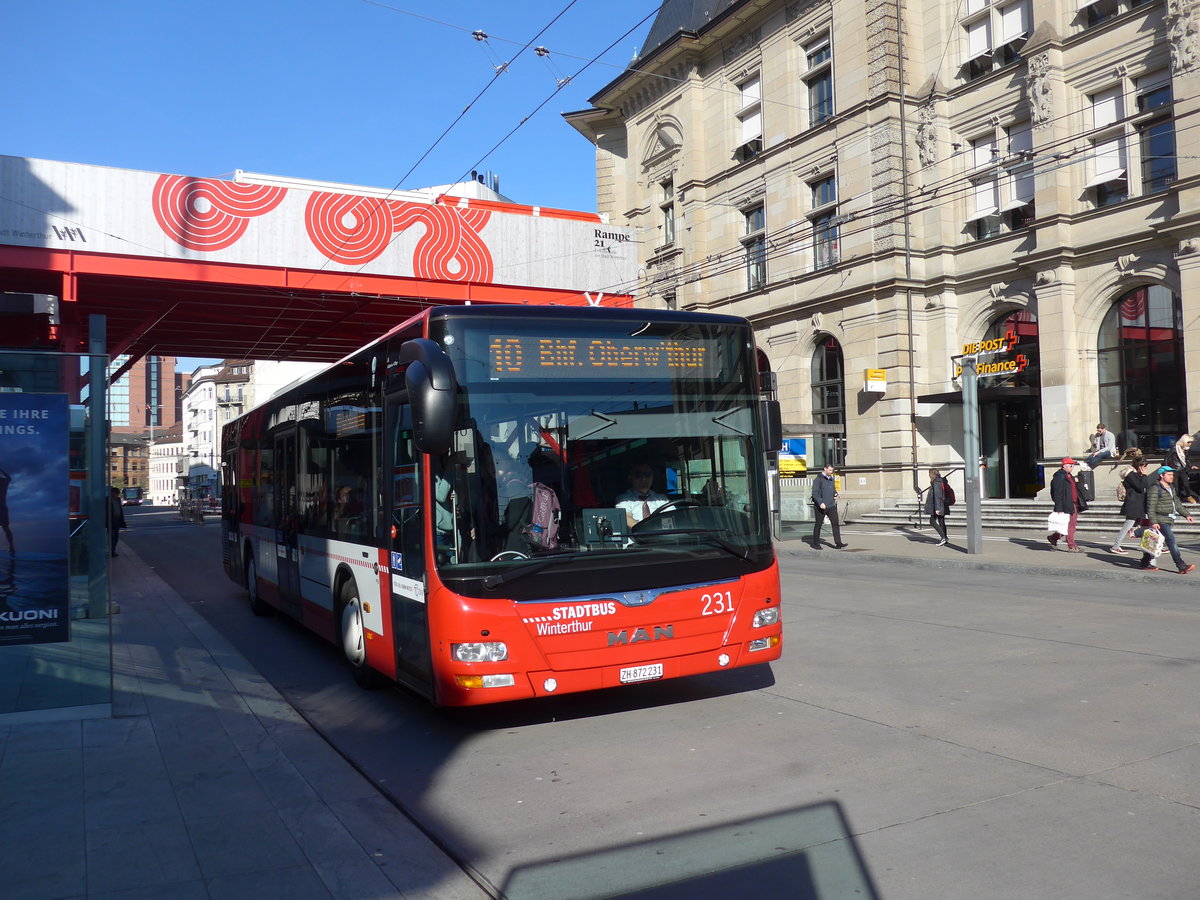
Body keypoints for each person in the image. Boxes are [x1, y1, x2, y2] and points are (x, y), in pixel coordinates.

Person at [1140, 466, 1195, 573]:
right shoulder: (1155, 488)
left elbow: (1177, 503)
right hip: (1160, 519)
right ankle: (1181, 565)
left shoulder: (1171, 487)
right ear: (1162, 475)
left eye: (1172, 475)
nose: (1172, 477)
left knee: (1155, 540)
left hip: (1169, 519)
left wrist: (1186, 514)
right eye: (1169, 475)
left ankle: (1144, 562)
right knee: (1171, 540)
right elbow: (1150, 506)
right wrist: (1154, 521)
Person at [1110, 457, 1151, 554]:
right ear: (1139, 466)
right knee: (1128, 524)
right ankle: (1116, 546)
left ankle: (1145, 544)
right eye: (1144, 466)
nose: (1145, 469)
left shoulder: (1138, 475)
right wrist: (1144, 475)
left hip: (1139, 504)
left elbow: (1145, 487)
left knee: (1140, 525)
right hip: (1133, 503)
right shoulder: (1130, 475)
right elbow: (1140, 487)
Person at [1048, 457, 1086, 552]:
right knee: (1071, 526)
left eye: (1073, 465)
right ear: (1064, 466)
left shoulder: (1068, 475)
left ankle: (1054, 537)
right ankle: (1072, 546)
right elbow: (1057, 493)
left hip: (1073, 503)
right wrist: (1059, 508)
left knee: (1066, 525)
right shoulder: (1059, 476)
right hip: (1066, 504)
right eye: (1070, 465)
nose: (1072, 467)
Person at [616, 461, 669, 528]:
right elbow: (626, 517)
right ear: (630, 477)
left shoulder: (662, 499)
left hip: (661, 537)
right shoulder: (624, 499)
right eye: (638, 475)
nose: (644, 479)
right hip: (637, 537)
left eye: (647, 474)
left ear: (652, 476)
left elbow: (672, 517)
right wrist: (646, 530)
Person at [810, 463, 846, 549]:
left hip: (831, 505)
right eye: (829, 470)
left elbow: (833, 489)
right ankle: (816, 543)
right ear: (825, 469)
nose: (831, 472)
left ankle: (838, 543)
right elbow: (814, 493)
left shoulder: (831, 479)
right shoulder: (818, 479)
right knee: (818, 524)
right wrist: (820, 502)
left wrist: (836, 494)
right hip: (821, 506)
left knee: (835, 523)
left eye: (832, 470)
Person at [1166, 434, 1199, 503]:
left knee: (1186, 485)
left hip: (1183, 469)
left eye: (1191, 442)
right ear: (1184, 441)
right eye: (1189, 442)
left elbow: (1186, 459)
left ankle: (1189, 497)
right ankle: (1176, 499)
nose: (1190, 444)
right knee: (1176, 486)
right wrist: (1167, 469)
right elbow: (1166, 459)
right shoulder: (1175, 448)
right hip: (1175, 469)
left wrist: (1191, 466)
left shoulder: (1186, 449)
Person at [924, 467, 949, 546]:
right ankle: (945, 538)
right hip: (942, 505)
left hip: (937, 506)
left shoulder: (936, 483)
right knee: (941, 522)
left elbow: (937, 496)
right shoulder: (940, 481)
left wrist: (937, 508)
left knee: (932, 521)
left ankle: (943, 537)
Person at [108, 487, 126, 557]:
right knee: (111, 536)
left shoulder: (118, 500)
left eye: (117, 494)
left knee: (116, 536)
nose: (117, 495)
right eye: (116, 494)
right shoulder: (108, 500)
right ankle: (111, 551)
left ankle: (113, 551)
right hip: (111, 520)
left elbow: (120, 510)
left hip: (117, 520)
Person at [0, 467, 12, 555]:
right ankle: (11, 546)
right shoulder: (4, 481)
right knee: (5, 528)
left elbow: (9, 478)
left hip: (2, 508)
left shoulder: (3, 482)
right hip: (3, 508)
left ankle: (11, 547)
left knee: (5, 527)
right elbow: (8, 478)